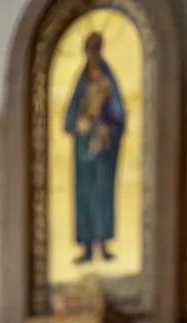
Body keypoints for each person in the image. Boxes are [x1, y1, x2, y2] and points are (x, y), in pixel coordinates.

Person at [64, 31, 126, 264]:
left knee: (102, 193)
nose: (92, 54)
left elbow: (118, 115)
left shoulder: (108, 80)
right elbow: (70, 115)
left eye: (96, 49)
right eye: (89, 49)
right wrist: (78, 124)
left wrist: (106, 128)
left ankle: (102, 243)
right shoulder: (82, 81)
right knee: (85, 194)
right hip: (83, 147)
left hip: (103, 147)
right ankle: (88, 246)